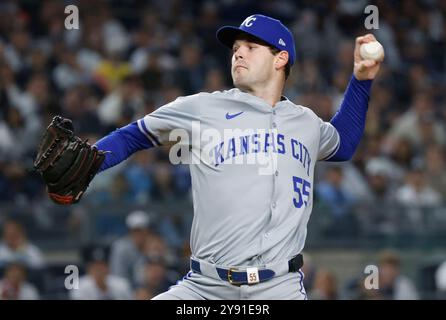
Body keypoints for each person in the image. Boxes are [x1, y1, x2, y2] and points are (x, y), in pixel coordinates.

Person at [89, 14, 382, 299]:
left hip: (280, 287)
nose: (238, 54)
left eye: (250, 48)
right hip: (206, 287)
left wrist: (361, 80)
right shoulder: (203, 108)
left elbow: (342, 144)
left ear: (280, 59)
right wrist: (91, 163)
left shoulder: (305, 122)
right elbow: (132, 135)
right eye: (235, 49)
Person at [109, 210, 153, 287]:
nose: (139, 234)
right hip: (125, 289)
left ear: (147, 231)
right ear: (130, 232)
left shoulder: (154, 244)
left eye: (141, 231)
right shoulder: (120, 247)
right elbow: (118, 276)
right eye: (135, 231)